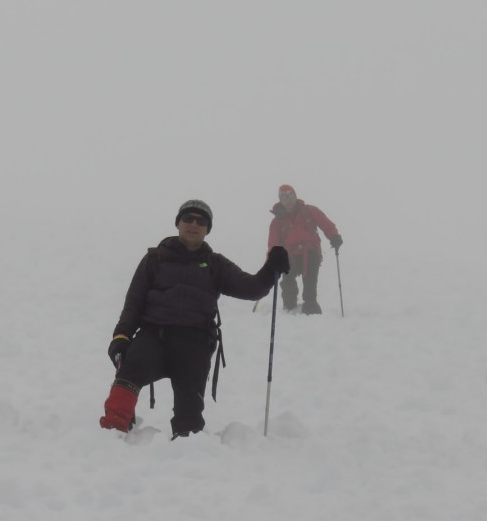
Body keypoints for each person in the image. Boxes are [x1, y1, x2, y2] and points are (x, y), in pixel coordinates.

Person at [99, 199, 290, 439]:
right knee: (128, 375)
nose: (193, 224)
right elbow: (133, 304)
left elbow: (251, 288)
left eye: (201, 221)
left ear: (207, 229)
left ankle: (187, 451)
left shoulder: (215, 264)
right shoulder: (154, 259)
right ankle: (111, 433)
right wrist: (121, 337)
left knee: (189, 418)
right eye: (188, 218)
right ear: (178, 223)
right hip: (153, 336)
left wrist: (271, 269)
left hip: (195, 342)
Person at [267, 184, 342, 315]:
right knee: (287, 271)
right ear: (280, 200)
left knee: (310, 278)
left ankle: (310, 303)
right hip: (290, 255)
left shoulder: (309, 211)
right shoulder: (277, 221)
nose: (288, 201)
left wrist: (334, 236)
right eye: (284, 198)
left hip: (310, 251)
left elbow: (325, 223)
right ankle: (289, 306)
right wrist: (272, 259)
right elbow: (273, 244)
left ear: (295, 197)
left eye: (290, 196)